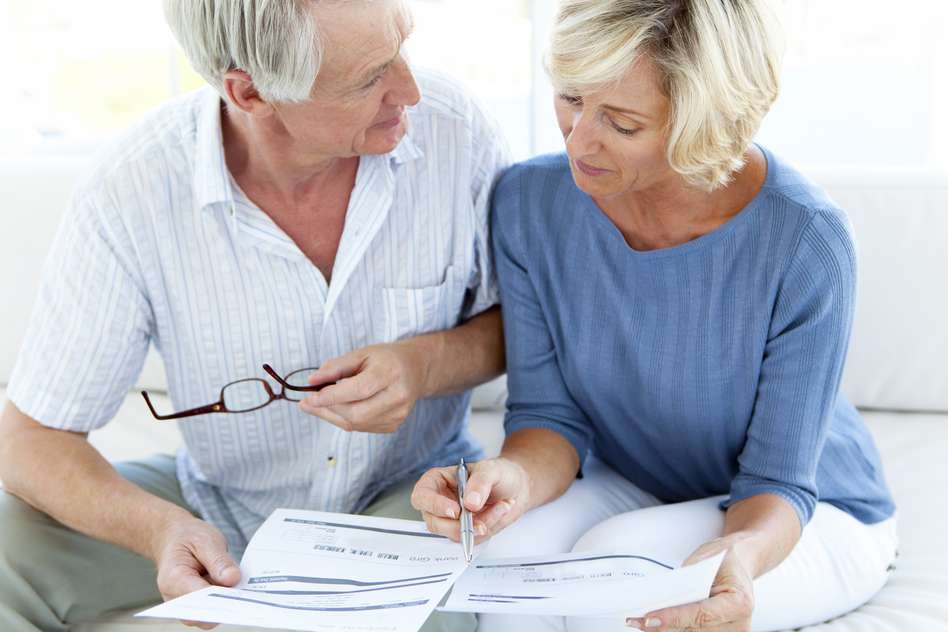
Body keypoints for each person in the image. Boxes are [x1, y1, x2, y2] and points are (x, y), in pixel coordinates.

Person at [0, 1, 507, 630]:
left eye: (403, 47)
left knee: (416, 616)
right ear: (251, 91)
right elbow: (30, 441)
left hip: (411, 494)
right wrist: (163, 531)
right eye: (369, 77)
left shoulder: (456, 133)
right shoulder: (132, 190)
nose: (410, 88)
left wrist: (422, 365)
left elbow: (521, 328)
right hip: (214, 502)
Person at [411, 1, 897, 631]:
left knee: (612, 593)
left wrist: (738, 556)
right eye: (571, 98)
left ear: (705, 124)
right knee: (493, 569)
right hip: (639, 478)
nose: (578, 139)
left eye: (622, 122)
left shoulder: (805, 239)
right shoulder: (529, 202)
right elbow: (548, 418)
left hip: (800, 515)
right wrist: (509, 477)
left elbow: (779, 481)